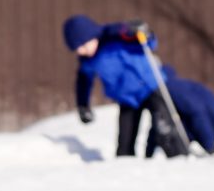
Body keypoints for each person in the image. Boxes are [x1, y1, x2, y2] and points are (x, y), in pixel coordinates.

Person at [62, 14, 188, 158]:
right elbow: (83, 83)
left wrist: (144, 33)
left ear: (93, 36)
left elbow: (149, 43)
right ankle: (125, 169)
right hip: (127, 98)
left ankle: (180, 159)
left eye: (84, 45)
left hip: (150, 87)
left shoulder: (115, 35)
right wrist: (83, 106)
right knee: (125, 141)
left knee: (164, 128)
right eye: (77, 49)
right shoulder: (87, 61)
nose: (81, 51)